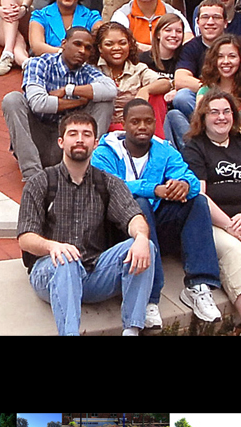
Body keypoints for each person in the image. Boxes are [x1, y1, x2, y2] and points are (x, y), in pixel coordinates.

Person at [17, 110, 156, 336]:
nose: (80, 139)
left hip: (94, 271)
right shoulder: (40, 182)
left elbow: (134, 217)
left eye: (86, 134)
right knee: (67, 259)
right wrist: (53, 247)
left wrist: (141, 237)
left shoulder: (108, 183)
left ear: (96, 142)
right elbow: (25, 238)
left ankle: (131, 330)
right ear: (61, 142)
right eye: (73, 134)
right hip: (50, 271)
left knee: (145, 245)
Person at [92, 98, 222, 329]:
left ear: (155, 123)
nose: (142, 126)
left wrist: (183, 184)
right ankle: (149, 297)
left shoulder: (163, 150)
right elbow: (107, 186)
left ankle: (199, 286)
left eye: (148, 121)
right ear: (123, 124)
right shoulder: (105, 152)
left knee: (197, 201)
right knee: (140, 202)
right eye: (135, 121)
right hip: (118, 230)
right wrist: (153, 189)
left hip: (156, 227)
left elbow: (190, 178)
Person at [181, 89, 241, 335]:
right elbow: (200, 195)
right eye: (214, 112)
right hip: (213, 221)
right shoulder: (195, 147)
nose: (221, 117)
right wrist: (228, 225)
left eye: (226, 111)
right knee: (234, 250)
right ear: (203, 117)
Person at [5, 26, 118, 180]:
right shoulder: (39, 64)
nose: (82, 51)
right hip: (38, 138)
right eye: (77, 44)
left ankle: (85, 170)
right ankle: (33, 176)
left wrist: (69, 90)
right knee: (12, 100)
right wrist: (78, 102)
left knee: (105, 103)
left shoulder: (88, 71)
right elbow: (39, 103)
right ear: (64, 43)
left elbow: (111, 90)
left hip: (69, 142)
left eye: (87, 48)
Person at [96, 21, 171, 131]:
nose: (117, 48)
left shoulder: (138, 69)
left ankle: (155, 142)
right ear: (100, 48)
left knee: (156, 96)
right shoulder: (92, 70)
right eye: (109, 44)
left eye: (122, 43)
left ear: (129, 45)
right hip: (104, 126)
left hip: (135, 126)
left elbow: (165, 83)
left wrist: (146, 90)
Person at [28, 0, 102, 56]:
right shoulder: (39, 16)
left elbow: (102, 37)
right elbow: (37, 47)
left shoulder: (92, 16)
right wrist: (65, 53)